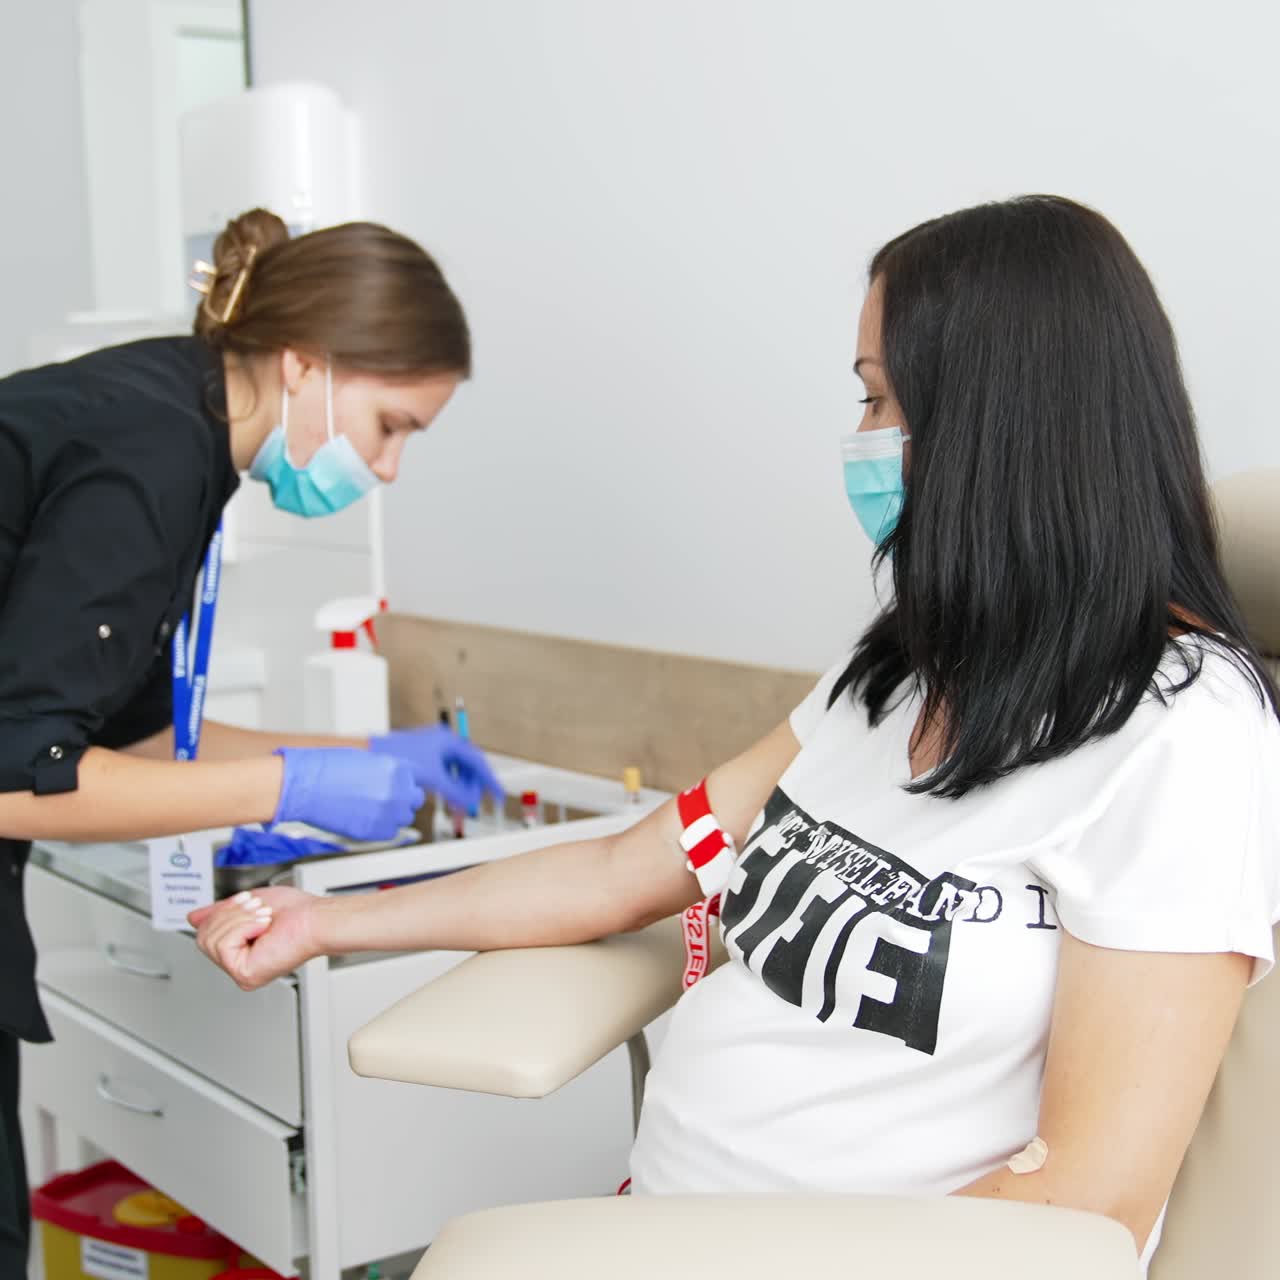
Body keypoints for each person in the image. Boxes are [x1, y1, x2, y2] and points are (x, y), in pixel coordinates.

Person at [192, 196, 1280, 1272]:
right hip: (666, 1228)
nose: (860, 438)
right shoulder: (903, 675)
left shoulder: (1180, 738)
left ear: (998, 422)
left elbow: (1084, 1196)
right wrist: (326, 921)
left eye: (879, 398)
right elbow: (624, 872)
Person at [0, 208, 502, 1268]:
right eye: (391, 426)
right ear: (305, 363)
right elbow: (15, 777)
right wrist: (288, 783)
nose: (389, 467)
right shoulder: (149, 449)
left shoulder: (177, 430)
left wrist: (362, 757)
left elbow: (141, 735)